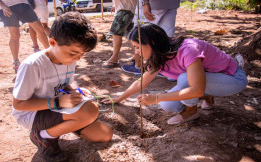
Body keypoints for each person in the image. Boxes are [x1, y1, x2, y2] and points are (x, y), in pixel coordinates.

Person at [12, 12, 113, 162]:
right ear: (52, 42)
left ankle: (66, 124)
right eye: (74, 53)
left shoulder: (69, 58)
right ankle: (43, 136)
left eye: (82, 54)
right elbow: (19, 105)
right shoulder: (32, 65)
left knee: (105, 134)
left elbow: (64, 84)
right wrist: (57, 102)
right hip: (33, 114)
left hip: (57, 107)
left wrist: (75, 91)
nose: (78, 59)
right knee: (91, 110)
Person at [103, 23, 247, 125]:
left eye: (137, 47)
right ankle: (207, 96)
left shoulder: (188, 50)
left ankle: (191, 112)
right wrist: (118, 99)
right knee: (168, 105)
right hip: (209, 78)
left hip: (233, 79)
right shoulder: (158, 54)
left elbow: (196, 89)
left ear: (152, 42)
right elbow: (141, 82)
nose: (136, 52)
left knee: (184, 79)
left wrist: (156, 97)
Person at [122, 0, 180, 76]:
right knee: (167, 35)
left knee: (139, 33)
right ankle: (167, 68)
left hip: (153, 4)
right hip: (171, 3)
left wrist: (145, 3)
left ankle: (139, 66)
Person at [0, 0, 50, 73]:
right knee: (15, 35)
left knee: (40, 29)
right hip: (7, 6)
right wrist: (3, 6)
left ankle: (50, 54)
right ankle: (15, 61)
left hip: (23, 4)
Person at [102, 0, 137, 68]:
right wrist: (115, 5)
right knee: (130, 35)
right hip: (129, 9)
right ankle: (137, 56)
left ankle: (114, 58)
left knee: (116, 33)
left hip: (125, 9)